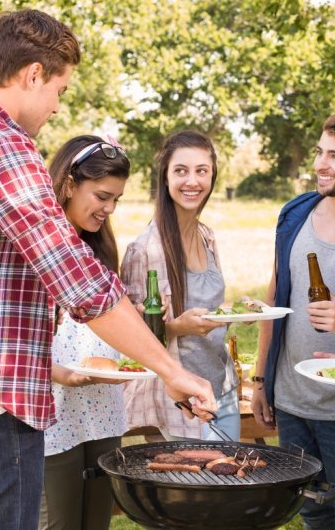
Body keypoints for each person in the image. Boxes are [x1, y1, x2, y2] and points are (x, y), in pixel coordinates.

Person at [0, 9, 214, 530]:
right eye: (59, 89)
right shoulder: (0, 144)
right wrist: (171, 370)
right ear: (33, 74)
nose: (57, 106)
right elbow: (78, 282)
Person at [251, 110, 335, 530]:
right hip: (291, 401)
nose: (320, 165)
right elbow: (276, 295)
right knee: (311, 509)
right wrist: (261, 380)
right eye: (319, 152)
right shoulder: (295, 213)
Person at [38, 135, 132, 530]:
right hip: (52, 412)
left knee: (96, 522)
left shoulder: (100, 246)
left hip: (102, 407)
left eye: (116, 200)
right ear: (69, 184)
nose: (108, 209)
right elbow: (9, 333)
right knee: (58, 522)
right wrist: (56, 371)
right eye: (102, 196)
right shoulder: (36, 243)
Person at [122, 130, 239, 440]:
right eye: (181, 171)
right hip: (180, 401)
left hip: (222, 388)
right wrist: (177, 327)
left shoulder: (207, 236)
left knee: (232, 485)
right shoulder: (144, 250)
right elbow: (129, 337)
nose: (192, 181)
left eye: (202, 171)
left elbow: (211, 310)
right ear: (165, 176)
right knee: (197, 487)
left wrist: (233, 312)